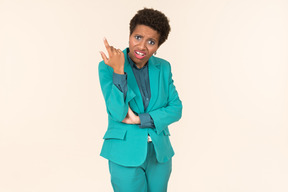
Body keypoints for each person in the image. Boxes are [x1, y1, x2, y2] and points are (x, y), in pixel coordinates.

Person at [98, 8, 182, 192]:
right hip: (124, 153)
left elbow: (176, 109)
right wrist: (119, 71)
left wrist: (140, 119)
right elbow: (117, 112)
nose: (142, 46)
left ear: (158, 46)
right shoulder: (108, 66)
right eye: (138, 37)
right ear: (129, 35)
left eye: (151, 42)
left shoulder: (164, 68)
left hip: (159, 154)